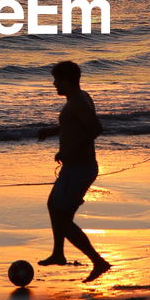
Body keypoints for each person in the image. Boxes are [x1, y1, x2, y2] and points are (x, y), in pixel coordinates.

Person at [37, 60, 111, 283]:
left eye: (57, 80)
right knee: (54, 207)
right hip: (74, 166)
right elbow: (74, 126)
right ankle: (58, 253)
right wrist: (52, 131)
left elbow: (96, 128)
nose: (54, 84)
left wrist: (71, 150)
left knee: (62, 218)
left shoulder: (78, 101)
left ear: (67, 81)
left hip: (81, 168)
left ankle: (98, 261)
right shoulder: (78, 99)